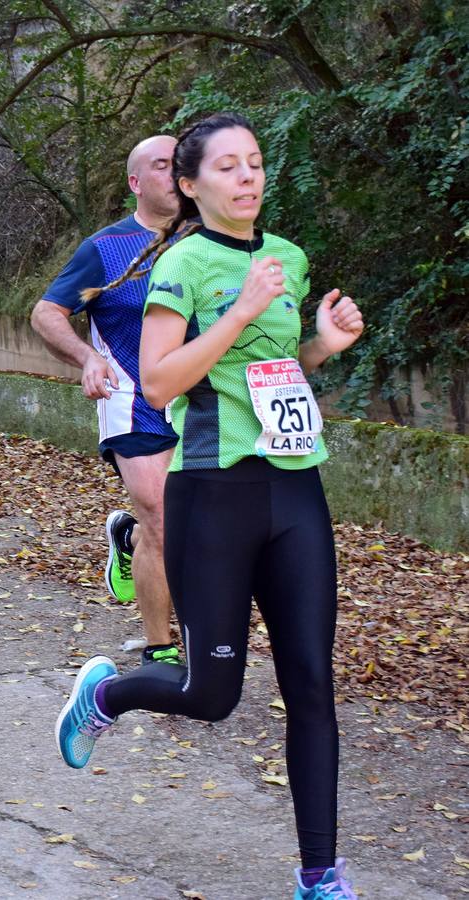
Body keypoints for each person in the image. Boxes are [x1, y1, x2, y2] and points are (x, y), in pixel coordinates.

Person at [54, 112, 364, 900]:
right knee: (211, 695)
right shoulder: (182, 263)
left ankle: (319, 876)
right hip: (211, 493)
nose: (247, 177)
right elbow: (158, 382)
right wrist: (236, 308)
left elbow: (272, 370)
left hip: (294, 486)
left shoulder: (285, 258)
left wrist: (320, 344)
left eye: (254, 163)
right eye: (226, 167)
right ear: (189, 186)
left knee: (311, 686)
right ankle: (105, 695)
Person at [31, 135, 181, 667]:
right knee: (165, 519)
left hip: (201, 404)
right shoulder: (106, 248)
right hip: (131, 399)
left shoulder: (207, 243)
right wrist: (85, 358)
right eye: (161, 165)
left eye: (179, 162)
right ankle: (161, 650)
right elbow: (47, 313)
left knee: (191, 522)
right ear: (136, 183)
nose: (174, 172)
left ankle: (127, 532)